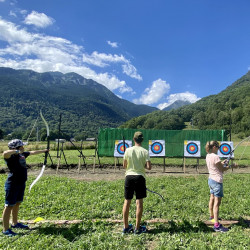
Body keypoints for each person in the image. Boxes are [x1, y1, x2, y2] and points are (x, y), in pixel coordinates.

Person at [2, 139, 49, 237]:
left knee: (17, 203)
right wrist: (17, 151)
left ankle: (15, 223)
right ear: (17, 147)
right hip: (12, 184)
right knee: (9, 206)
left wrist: (44, 150)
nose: (24, 147)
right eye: (21, 146)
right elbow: (5, 153)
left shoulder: (22, 155)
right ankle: (5, 229)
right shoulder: (10, 157)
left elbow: (32, 152)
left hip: (21, 183)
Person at [122, 131, 152, 235]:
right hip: (140, 177)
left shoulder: (128, 150)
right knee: (139, 202)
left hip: (129, 177)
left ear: (134, 139)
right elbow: (149, 167)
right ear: (142, 140)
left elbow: (124, 165)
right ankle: (137, 228)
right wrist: (140, 166)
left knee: (127, 201)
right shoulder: (145, 151)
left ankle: (126, 227)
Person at [205, 140, 236, 233]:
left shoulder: (208, 155)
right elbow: (222, 169)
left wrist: (223, 162)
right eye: (218, 147)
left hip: (211, 180)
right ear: (214, 147)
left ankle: (212, 217)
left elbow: (217, 165)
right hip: (217, 181)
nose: (219, 148)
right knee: (217, 203)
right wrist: (231, 166)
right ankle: (216, 225)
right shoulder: (216, 157)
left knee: (212, 198)